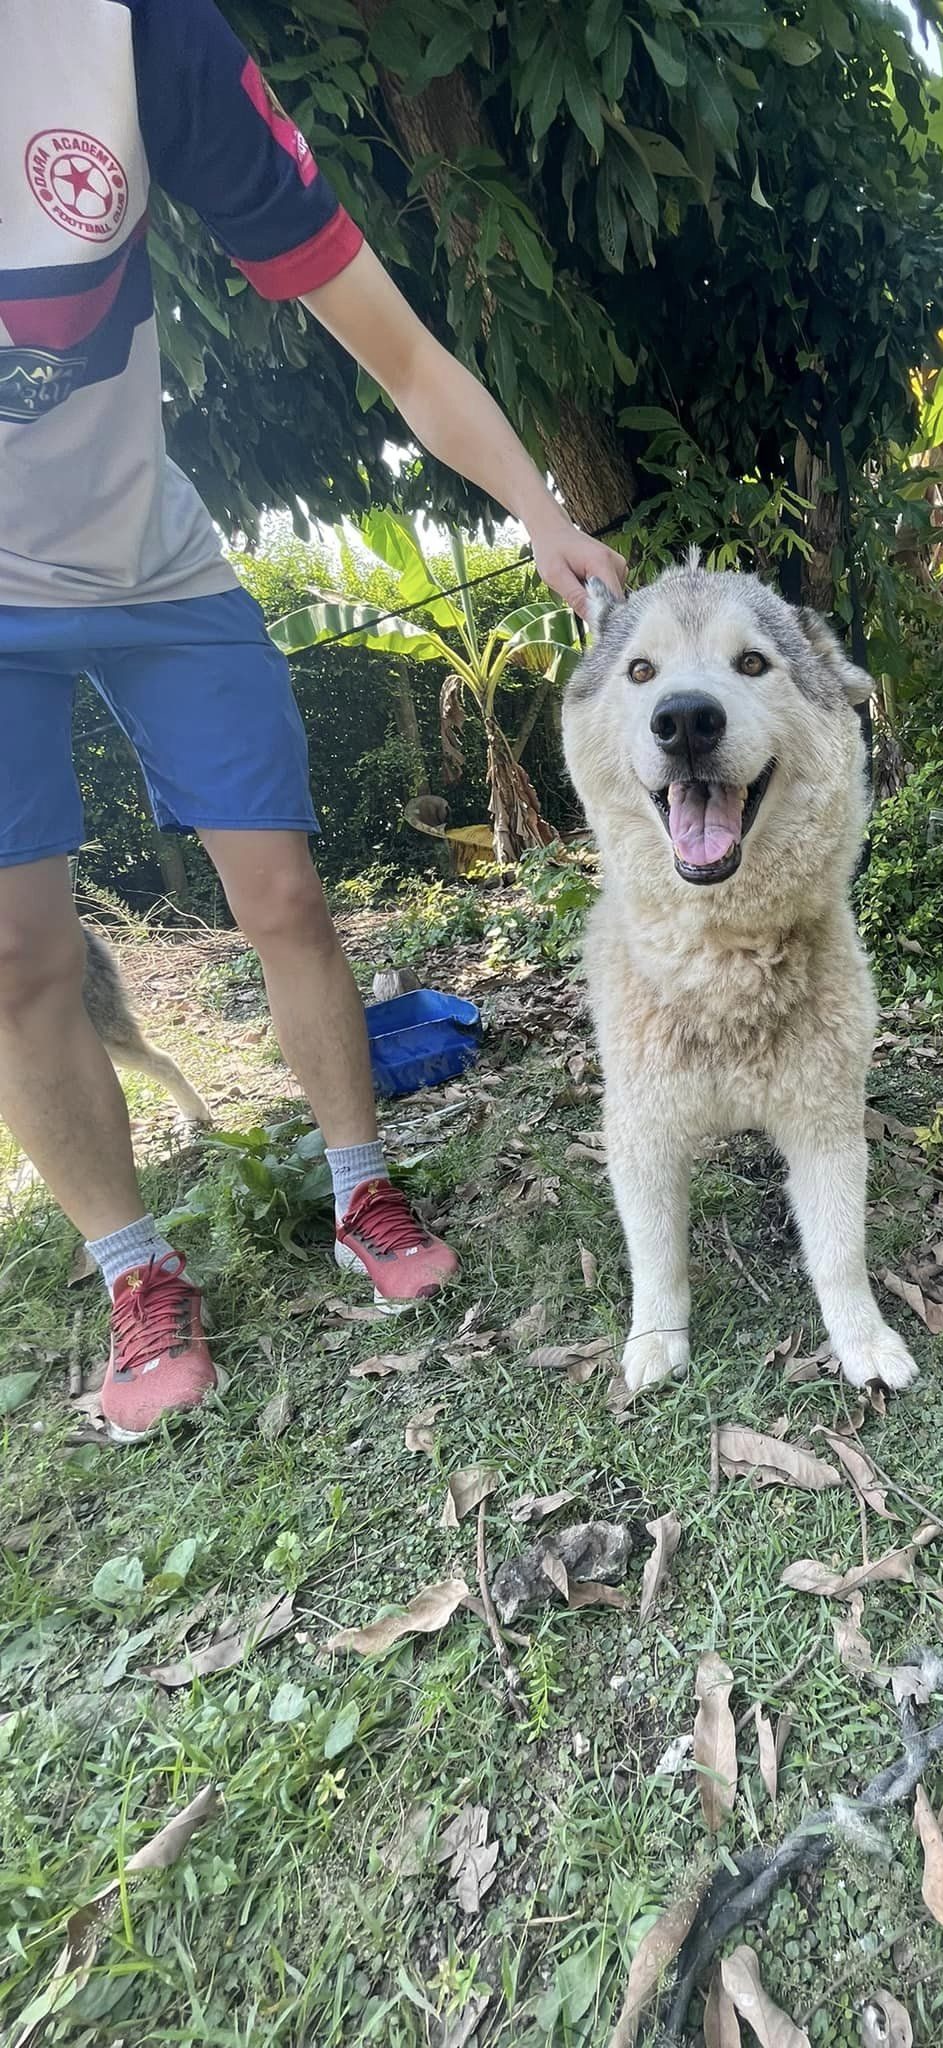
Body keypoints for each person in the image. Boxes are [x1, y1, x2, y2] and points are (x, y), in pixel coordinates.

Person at [1, 0, 626, 1443]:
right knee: (19, 953)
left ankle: (363, 1186)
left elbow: (396, 350)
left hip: (155, 567)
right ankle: (134, 1269)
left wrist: (540, 513)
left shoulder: (139, 38)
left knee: (284, 895)